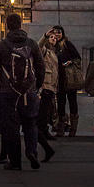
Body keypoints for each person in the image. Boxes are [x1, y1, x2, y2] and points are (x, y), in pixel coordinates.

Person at [0, 13, 45, 170]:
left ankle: (15, 162)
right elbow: (41, 66)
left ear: (7, 26)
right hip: (29, 92)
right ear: (21, 24)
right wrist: (36, 86)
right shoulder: (32, 44)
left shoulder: (2, 45)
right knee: (30, 123)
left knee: (11, 128)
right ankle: (32, 151)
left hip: (8, 92)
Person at [51, 25, 81, 136]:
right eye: (55, 32)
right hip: (59, 79)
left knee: (72, 102)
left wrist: (70, 62)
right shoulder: (52, 45)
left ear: (63, 33)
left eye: (59, 32)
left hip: (69, 78)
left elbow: (77, 58)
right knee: (61, 103)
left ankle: (73, 129)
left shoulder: (67, 44)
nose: (57, 35)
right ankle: (61, 128)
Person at [36, 29, 58, 162]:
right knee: (38, 121)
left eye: (56, 38)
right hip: (44, 88)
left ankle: (45, 145)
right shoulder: (45, 52)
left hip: (51, 89)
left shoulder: (55, 54)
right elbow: (39, 46)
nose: (54, 38)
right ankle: (46, 147)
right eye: (52, 37)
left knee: (41, 120)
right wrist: (45, 35)